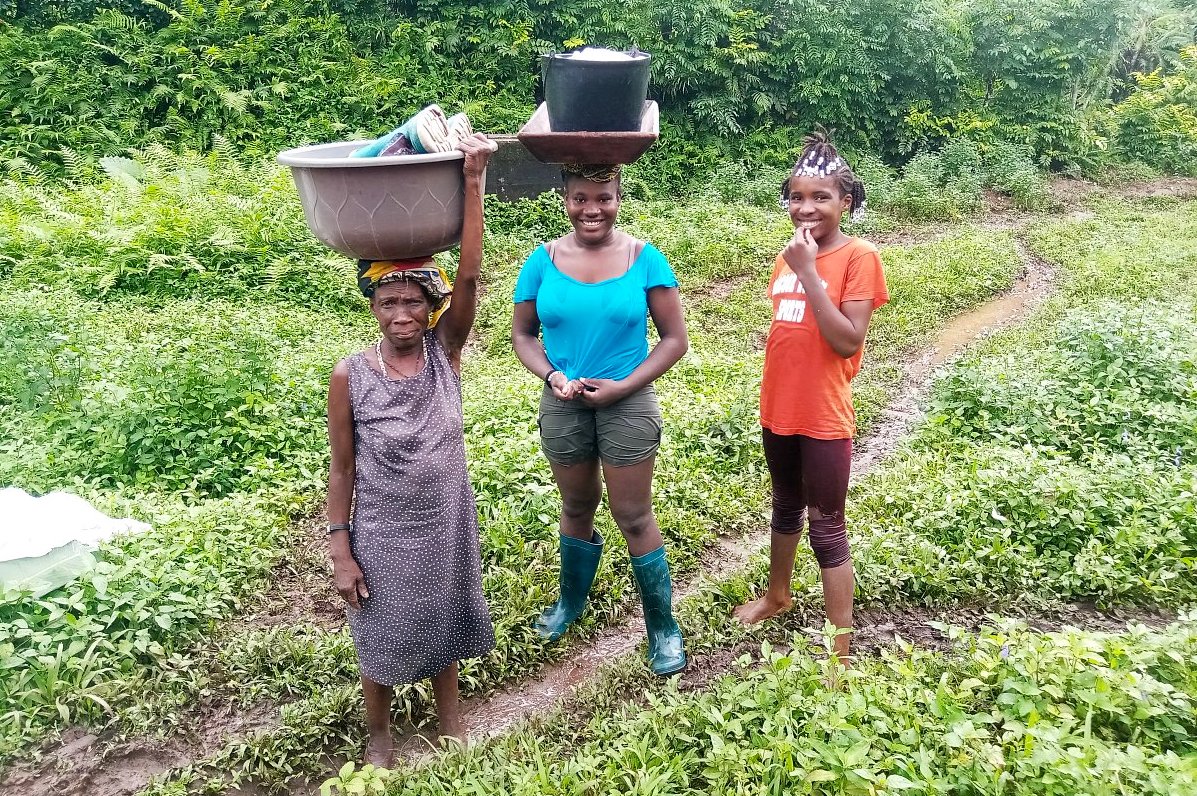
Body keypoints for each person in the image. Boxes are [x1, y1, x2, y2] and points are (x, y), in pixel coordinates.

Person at [325, 133, 497, 767]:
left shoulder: (443, 355)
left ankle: (451, 720)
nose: (402, 312)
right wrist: (341, 549)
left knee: (446, 614)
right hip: (381, 526)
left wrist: (473, 180)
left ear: (433, 307)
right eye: (390, 301)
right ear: (374, 307)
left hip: (446, 518)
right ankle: (379, 733)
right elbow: (342, 468)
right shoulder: (350, 375)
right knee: (376, 632)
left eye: (414, 301)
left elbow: (471, 274)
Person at [511, 163, 690, 676]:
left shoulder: (645, 258)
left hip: (628, 403)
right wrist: (551, 376)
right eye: (581, 198)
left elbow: (674, 340)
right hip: (563, 402)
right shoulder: (541, 262)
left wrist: (623, 386)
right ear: (565, 199)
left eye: (604, 198)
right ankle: (570, 604)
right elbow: (523, 335)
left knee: (633, 515)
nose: (593, 209)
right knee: (576, 506)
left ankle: (662, 627)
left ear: (619, 197)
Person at [733, 132, 889, 665]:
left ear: (846, 202)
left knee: (827, 526)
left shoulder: (859, 256)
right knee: (783, 506)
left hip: (824, 414)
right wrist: (798, 267)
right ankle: (777, 595)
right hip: (778, 407)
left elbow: (848, 338)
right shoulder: (787, 257)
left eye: (821, 197)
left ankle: (840, 650)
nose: (807, 207)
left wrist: (808, 271)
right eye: (798, 196)